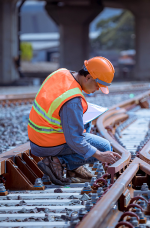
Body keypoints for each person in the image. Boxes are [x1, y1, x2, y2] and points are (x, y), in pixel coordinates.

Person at [27, 56, 122, 185]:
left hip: (37, 136)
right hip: (48, 143)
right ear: (87, 77)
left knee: (85, 120)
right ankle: (58, 162)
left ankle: (73, 168)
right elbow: (74, 140)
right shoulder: (72, 100)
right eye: (97, 85)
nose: (98, 89)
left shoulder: (61, 73)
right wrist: (100, 155)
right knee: (104, 147)